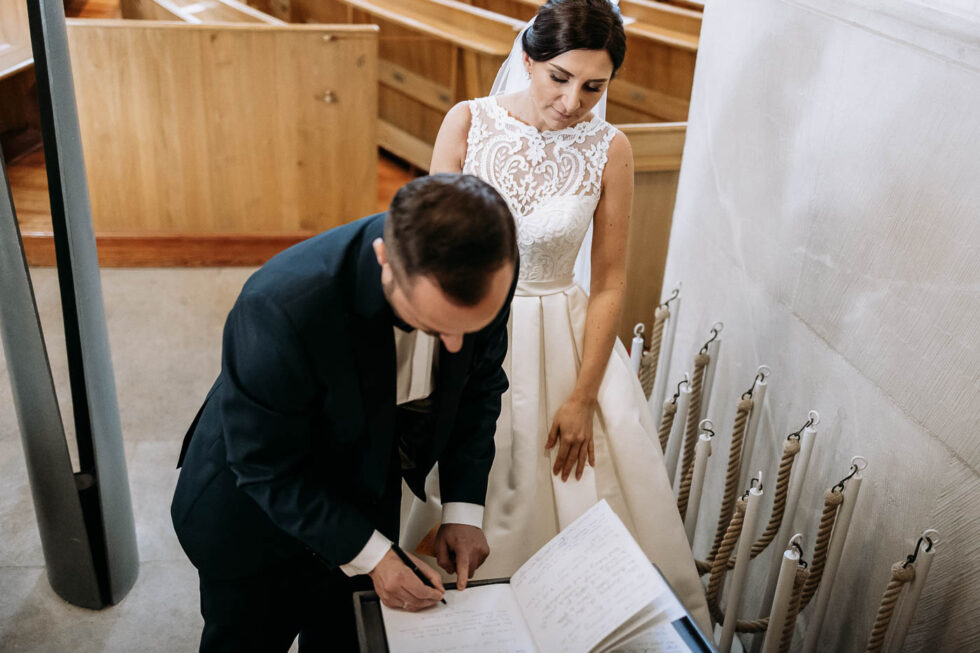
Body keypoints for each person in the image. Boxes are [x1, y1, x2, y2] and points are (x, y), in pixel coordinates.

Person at [400, 0, 712, 631]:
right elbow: (424, 252)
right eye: (559, 78)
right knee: (448, 466)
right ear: (527, 60)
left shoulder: (610, 148)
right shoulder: (468, 122)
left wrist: (584, 393)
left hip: (561, 335)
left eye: (594, 86)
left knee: (571, 491)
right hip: (465, 327)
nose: (574, 101)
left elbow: (609, 280)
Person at [171, 173, 518, 652]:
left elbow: (479, 388)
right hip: (255, 518)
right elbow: (264, 465)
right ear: (385, 262)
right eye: (435, 326)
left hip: (369, 489)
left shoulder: (490, 267)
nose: (456, 345)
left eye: (470, 327)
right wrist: (373, 556)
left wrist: (462, 509)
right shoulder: (281, 305)